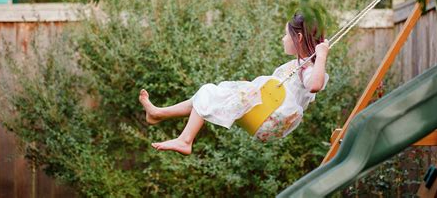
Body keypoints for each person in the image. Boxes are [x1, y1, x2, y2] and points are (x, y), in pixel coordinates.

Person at [138, 12, 330, 155]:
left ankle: (185, 140)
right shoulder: (298, 65)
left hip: (269, 117)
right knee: (209, 95)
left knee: (208, 91)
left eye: (286, 35)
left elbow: (315, 85)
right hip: (270, 118)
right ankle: (158, 114)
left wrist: (321, 56)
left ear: (298, 38)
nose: (283, 39)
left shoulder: (308, 68)